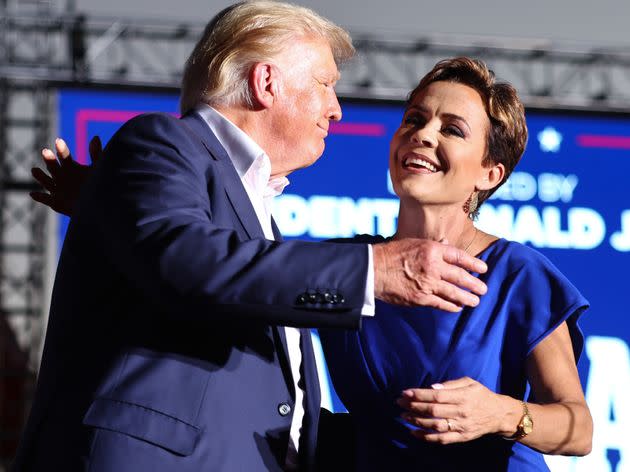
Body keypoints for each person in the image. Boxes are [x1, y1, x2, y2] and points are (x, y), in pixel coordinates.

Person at [14, 3, 489, 472]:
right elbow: (188, 261)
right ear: (267, 83)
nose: (336, 110)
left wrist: (433, 431)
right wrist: (372, 269)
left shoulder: (257, 216)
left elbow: (273, 407)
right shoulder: (163, 142)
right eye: (325, 85)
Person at [318, 57, 592, 471]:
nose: (423, 135)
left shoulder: (517, 274)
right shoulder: (349, 266)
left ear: (490, 173)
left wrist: (500, 413)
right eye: (414, 119)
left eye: (452, 129)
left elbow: (580, 429)